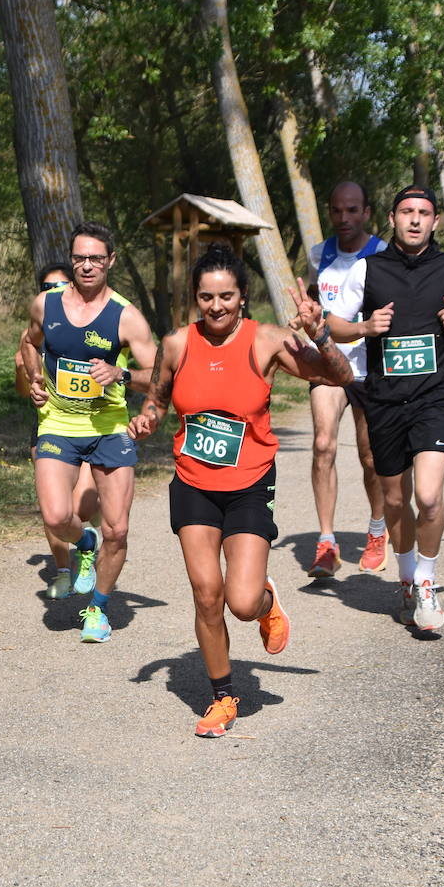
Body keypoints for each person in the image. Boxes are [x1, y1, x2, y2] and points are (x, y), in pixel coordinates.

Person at [129, 243, 352, 737]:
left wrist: (320, 334)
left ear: (243, 296)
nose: (216, 307)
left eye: (226, 296)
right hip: (193, 484)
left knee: (242, 601)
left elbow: (341, 376)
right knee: (207, 595)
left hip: (250, 484)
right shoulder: (177, 345)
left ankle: (267, 604)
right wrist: (146, 421)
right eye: (206, 297)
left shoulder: (267, 342)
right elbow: (158, 400)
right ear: (195, 297)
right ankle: (223, 696)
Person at [325, 185, 444, 632]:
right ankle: (405, 579)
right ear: (392, 218)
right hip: (384, 399)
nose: (416, 219)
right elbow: (335, 325)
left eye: (424, 212)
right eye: (407, 212)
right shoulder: (368, 270)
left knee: (428, 496)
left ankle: (425, 580)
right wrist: (365, 326)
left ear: (435, 221)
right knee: (397, 499)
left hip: (435, 396)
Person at [19, 221, 156, 643]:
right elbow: (28, 342)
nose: (87, 265)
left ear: (110, 261)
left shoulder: (126, 316)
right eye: (80, 257)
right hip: (59, 423)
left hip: (110, 428)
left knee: (118, 530)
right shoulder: (47, 304)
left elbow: (158, 375)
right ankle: (84, 541)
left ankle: (97, 608)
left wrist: (121, 372)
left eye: (96, 257)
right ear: (72, 259)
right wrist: (35, 376)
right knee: (57, 516)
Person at [302, 181, 390, 579]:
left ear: (367, 212)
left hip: (371, 368)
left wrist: (365, 328)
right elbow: (314, 301)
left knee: (371, 457)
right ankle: (326, 542)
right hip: (329, 365)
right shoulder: (320, 254)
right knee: (323, 444)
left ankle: (376, 532)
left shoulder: (384, 255)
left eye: (352, 210)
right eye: (338, 210)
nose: (344, 218)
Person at [14, 262, 99, 598]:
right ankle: (63, 571)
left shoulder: (90, 326)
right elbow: (24, 392)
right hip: (48, 428)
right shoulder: (31, 336)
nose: (56, 292)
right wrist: (27, 377)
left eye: (62, 285)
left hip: (91, 427)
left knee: (81, 508)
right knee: (53, 511)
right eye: (48, 288)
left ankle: (87, 549)